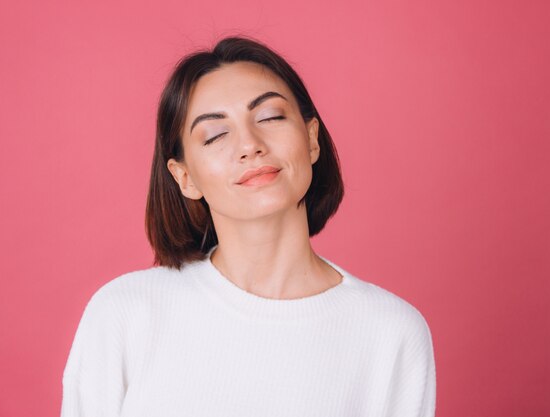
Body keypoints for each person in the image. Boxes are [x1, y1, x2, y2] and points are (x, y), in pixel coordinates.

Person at [60, 35, 436, 417]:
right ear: (184, 177)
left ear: (311, 140)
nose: (249, 145)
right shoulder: (126, 313)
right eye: (215, 135)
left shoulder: (391, 333)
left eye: (270, 117)